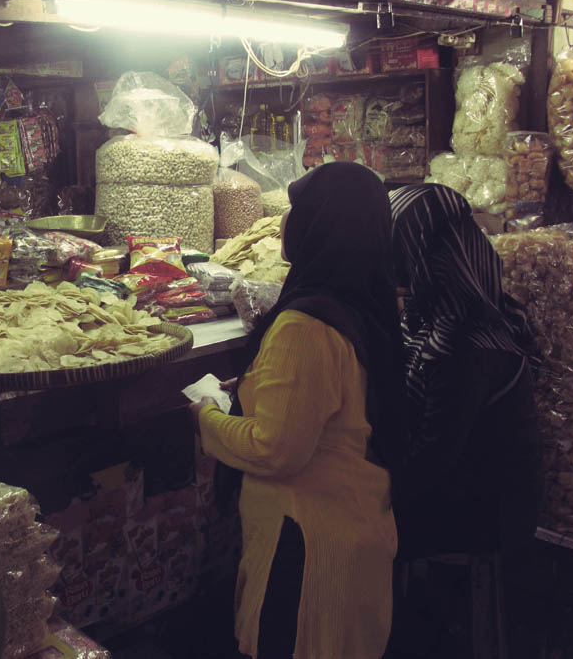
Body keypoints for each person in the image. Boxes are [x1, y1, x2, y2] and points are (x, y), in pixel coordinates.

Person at [189, 162, 406, 659]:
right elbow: (334, 399)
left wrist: (205, 419)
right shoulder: (362, 302)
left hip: (308, 551)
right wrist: (252, 386)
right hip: (357, 533)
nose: (284, 222)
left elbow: (276, 447)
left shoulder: (306, 326)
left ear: (320, 225)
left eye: (295, 210)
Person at [387, 183, 542, 559]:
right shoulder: (439, 318)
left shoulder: (464, 344)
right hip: (463, 488)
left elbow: (432, 462)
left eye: (395, 251)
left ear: (422, 258)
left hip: (486, 516)